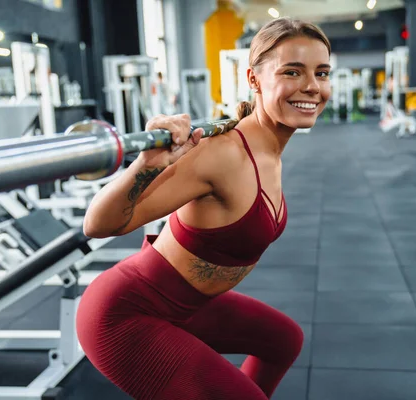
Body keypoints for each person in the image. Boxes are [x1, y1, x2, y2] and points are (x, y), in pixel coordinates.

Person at [76, 17, 331, 400]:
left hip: (188, 305)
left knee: (283, 341)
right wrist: (146, 165)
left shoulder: (269, 149)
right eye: (292, 72)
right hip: (125, 314)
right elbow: (98, 224)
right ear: (255, 80)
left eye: (322, 73)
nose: (312, 86)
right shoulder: (225, 154)